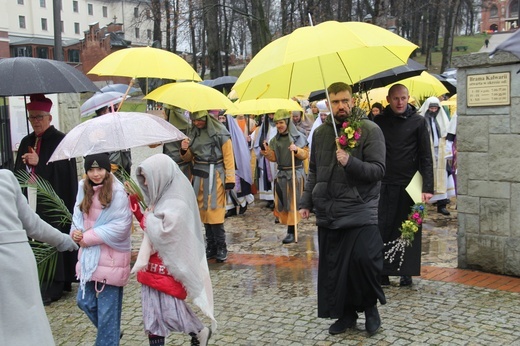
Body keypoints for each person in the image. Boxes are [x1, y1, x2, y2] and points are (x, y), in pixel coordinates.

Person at [299, 82, 386, 336]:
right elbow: (314, 171)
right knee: (336, 267)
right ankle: (347, 314)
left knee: (364, 261)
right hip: (329, 210)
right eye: (335, 102)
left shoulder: (370, 130)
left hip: (360, 209)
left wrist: (351, 162)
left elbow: (378, 170)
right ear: (329, 103)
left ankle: (370, 309)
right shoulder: (321, 134)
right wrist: (306, 201)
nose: (341, 106)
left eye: (345, 100)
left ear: (353, 101)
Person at [130, 154, 215, 346]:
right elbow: (150, 227)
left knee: (172, 311)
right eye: (142, 178)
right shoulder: (157, 199)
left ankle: (199, 331)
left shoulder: (177, 202)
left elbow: (163, 232)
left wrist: (144, 216)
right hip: (150, 269)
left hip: (168, 269)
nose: (144, 182)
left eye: (147, 177)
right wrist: (140, 210)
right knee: (152, 316)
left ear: (160, 175)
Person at [0, 169, 78, 345]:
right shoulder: (5, 177)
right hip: (16, 258)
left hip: (14, 256)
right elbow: (32, 224)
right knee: (29, 324)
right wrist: (61, 240)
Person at [14, 93, 78, 305]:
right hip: (31, 198)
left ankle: (56, 284)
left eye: (40, 117)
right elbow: (17, 173)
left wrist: (40, 163)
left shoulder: (61, 140)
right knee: (34, 238)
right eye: (32, 117)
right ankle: (38, 281)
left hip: (53, 199)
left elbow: (64, 173)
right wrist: (26, 164)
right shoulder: (26, 141)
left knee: (51, 236)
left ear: (49, 117)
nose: (36, 122)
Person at [374, 84, 434, 287]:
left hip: (411, 183)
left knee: (408, 228)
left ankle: (406, 272)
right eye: (395, 98)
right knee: (383, 227)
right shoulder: (379, 121)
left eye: (403, 98)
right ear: (388, 99)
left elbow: (426, 155)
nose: (400, 102)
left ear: (409, 98)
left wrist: (427, 187)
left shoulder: (418, 121)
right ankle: (383, 271)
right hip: (385, 182)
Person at [70, 153, 133, 346]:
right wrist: (76, 233)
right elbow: (77, 217)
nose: (96, 174)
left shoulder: (118, 192)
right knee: (84, 301)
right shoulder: (83, 189)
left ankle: (108, 337)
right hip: (90, 259)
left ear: (107, 169)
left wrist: (86, 237)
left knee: (107, 312)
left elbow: (121, 226)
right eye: (91, 169)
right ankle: (112, 332)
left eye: (99, 169)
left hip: (111, 260)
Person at [180, 110, 235, 263]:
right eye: (195, 120)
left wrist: (230, 178)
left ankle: (221, 246)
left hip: (215, 176)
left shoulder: (220, 133)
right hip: (199, 176)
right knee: (203, 212)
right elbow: (190, 157)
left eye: (200, 120)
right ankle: (210, 246)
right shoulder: (194, 133)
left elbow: (229, 157)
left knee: (214, 211)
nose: (197, 123)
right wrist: (185, 149)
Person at [261, 109, 309, 244]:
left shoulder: (298, 137)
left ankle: (292, 231)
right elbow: (275, 158)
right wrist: (267, 151)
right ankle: (291, 229)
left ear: (287, 122)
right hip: (282, 174)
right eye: (276, 123)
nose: (279, 126)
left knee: (293, 203)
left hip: (295, 173)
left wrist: (297, 150)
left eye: (281, 122)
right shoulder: (275, 140)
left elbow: (305, 154)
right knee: (285, 203)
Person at [418, 97, 456, 216]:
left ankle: (441, 204)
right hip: (426, 152)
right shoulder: (421, 120)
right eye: (431, 108)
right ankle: (421, 206)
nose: (433, 110)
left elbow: (447, 135)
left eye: (435, 108)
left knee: (442, 177)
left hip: (439, 152)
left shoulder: (442, 120)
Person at [218, 113, 254, 218]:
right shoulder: (218, 131)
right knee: (226, 186)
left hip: (235, 162)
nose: (221, 120)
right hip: (222, 162)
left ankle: (243, 202)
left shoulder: (234, 131)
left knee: (236, 186)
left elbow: (240, 147)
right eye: (219, 118)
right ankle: (231, 208)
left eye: (223, 118)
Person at [94, 105, 132, 179]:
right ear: (103, 112)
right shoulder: (98, 126)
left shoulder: (114, 121)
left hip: (121, 158)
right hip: (112, 161)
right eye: (108, 110)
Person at [252, 112, 277, 209]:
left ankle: (276, 199)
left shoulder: (280, 125)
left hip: (276, 155)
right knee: (268, 177)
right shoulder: (265, 126)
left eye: (273, 114)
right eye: (269, 115)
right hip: (267, 155)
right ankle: (270, 198)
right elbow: (258, 140)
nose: (271, 117)